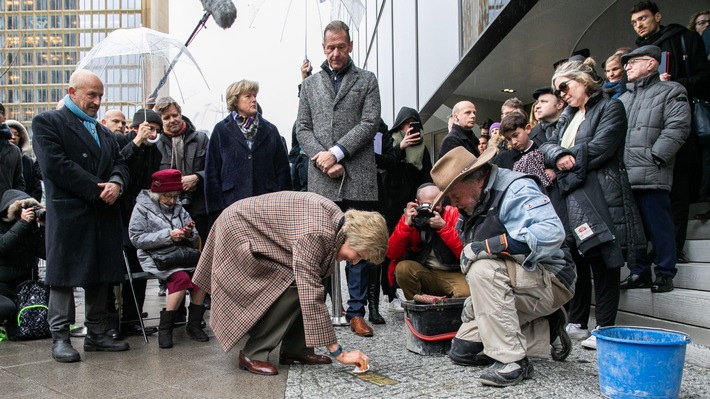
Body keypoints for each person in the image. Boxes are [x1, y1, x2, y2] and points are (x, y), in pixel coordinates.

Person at [192, 191, 387, 375]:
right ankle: (253, 353)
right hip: (238, 233)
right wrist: (340, 354)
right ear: (353, 238)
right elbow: (310, 291)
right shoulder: (316, 234)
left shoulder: (337, 223)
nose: (355, 262)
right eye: (359, 255)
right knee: (297, 285)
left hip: (247, 227)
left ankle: (295, 349)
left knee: (303, 282)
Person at [434, 147, 575, 387]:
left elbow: (551, 233)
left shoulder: (516, 188)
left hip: (550, 279)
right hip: (515, 283)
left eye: (454, 194)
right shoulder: (468, 208)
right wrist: (477, 299)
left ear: (477, 179)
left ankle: (513, 362)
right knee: (464, 351)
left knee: (482, 268)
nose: (452, 202)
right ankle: (547, 327)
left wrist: (489, 246)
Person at [540, 58, 643, 350]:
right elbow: (547, 146)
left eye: (564, 86)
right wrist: (559, 156)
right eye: (557, 90)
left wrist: (562, 160)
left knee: (604, 259)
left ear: (583, 81)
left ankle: (605, 326)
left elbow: (603, 147)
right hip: (571, 195)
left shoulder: (611, 107)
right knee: (577, 256)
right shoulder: (567, 116)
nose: (561, 94)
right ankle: (578, 321)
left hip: (602, 194)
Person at [32, 69, 130, 362]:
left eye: (100, 96)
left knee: (101, 274)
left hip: (102, 214)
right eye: (91, 94)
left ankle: (97, 334)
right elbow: (55, 166)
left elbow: (120, 163)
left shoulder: (103, 132)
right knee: (62, 278)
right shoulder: (48, 121)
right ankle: (60, 338)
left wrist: (117, 183)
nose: (97, 101)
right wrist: (98, 188)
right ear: (72, 92)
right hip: (71, 213)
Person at [296, 20, 381, 337]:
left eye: (340, 47)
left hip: (357, 174)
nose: (335, 53)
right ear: (323, 48)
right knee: (324, 245)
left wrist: (339, 152)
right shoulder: (309, 85)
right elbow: (302, 128)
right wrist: (322, 157)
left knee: (358, 245)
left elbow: (371, 122)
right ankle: (328, 309)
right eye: (330, 47)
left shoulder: (367, 80)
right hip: (322, 179)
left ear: (350, 46)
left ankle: (357, 312)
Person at [631, 1, 710, 264]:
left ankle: (675, 248)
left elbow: (704, 77)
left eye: (643, 18)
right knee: (654, 200)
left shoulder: (685, 39)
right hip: (647, 140)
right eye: (634, 22)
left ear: (658, 16)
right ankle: (661, 249)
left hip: (679, 131)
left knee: (678, 193)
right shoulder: (636, 53)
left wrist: (672, 85)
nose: (639, 24)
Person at [619, 45, 691, 293]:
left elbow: (678, 127)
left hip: (652, 170)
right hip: (625, 174)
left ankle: (664, 272)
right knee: (634, 229)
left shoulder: (671, 90)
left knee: (659, 224)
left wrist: (657, 156)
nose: (626, 66)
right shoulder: (623, 99)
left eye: (632, 62)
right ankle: (640, 272)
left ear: (651, 63)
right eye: (625, 63)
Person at [129, 169, 209, 348]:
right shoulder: (142, 207)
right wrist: (167, 236)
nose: (172, 200)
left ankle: (194, 325)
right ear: (156, 193)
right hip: (155, 256)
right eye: (167, 196)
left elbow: (195, 237)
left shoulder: (179, 208)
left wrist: (188, 234)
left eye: (175, 196)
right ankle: (166, 329)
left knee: (201, 277)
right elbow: (136, 238)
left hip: (180, 256)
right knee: (180, 279)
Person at [111, 108, 165, 337]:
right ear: (135, 127)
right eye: (149, 128)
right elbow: (119, 163)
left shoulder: (156, 152)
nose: (152, 133)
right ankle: (113, 319)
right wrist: (137, 142)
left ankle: (133, 317)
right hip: (118, 214)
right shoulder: (121, 141)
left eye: (156, 130)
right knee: (118, 271)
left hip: (140, 214)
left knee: (138, 267)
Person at [205, 79, 291, 222]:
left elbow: (282, 170)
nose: (254, 100)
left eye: (255, 96)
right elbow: (211, 172)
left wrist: (283, 204)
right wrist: (216, 210)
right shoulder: (221, 130)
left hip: (266, 204)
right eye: (248, 96)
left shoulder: (270, 130)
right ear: (235, 100)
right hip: (232, 203)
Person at [387, 183, 465, 300]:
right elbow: (392, 253)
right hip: (424, 272)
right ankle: (416, 308)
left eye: (437, 203)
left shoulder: (453, 214)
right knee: (403, 269)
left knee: (465, 294)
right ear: (417, 203)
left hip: (453, 273)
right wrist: (406, 226)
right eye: (428, 204)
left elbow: (465, 253)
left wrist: (444, 228)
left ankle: (447, 313)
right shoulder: (410, 217)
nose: (432, 208)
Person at [153, 96, 210, 244]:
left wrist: (197, 177)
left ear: (180, 114)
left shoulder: (201, 139)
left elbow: (215, 168)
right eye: (166, 117)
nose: (172, 120)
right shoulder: (155, 145)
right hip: (167, 210)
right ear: (161, 120)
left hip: (199, 207)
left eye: (175, 115)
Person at [0, 190, 45, 336]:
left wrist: (44, 227)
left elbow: (47, 253)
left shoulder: (31, 230)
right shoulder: (7, 226)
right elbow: (3, 246)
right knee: (6, 307)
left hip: (21, 290)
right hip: (2, 290)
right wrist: (22, 224)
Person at [5, 120, 42, 202]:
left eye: (16, 134)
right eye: (10, 133)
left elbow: (36, 188)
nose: (13, 137)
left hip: (24, 210)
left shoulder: (27, 161)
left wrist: (28, 206)